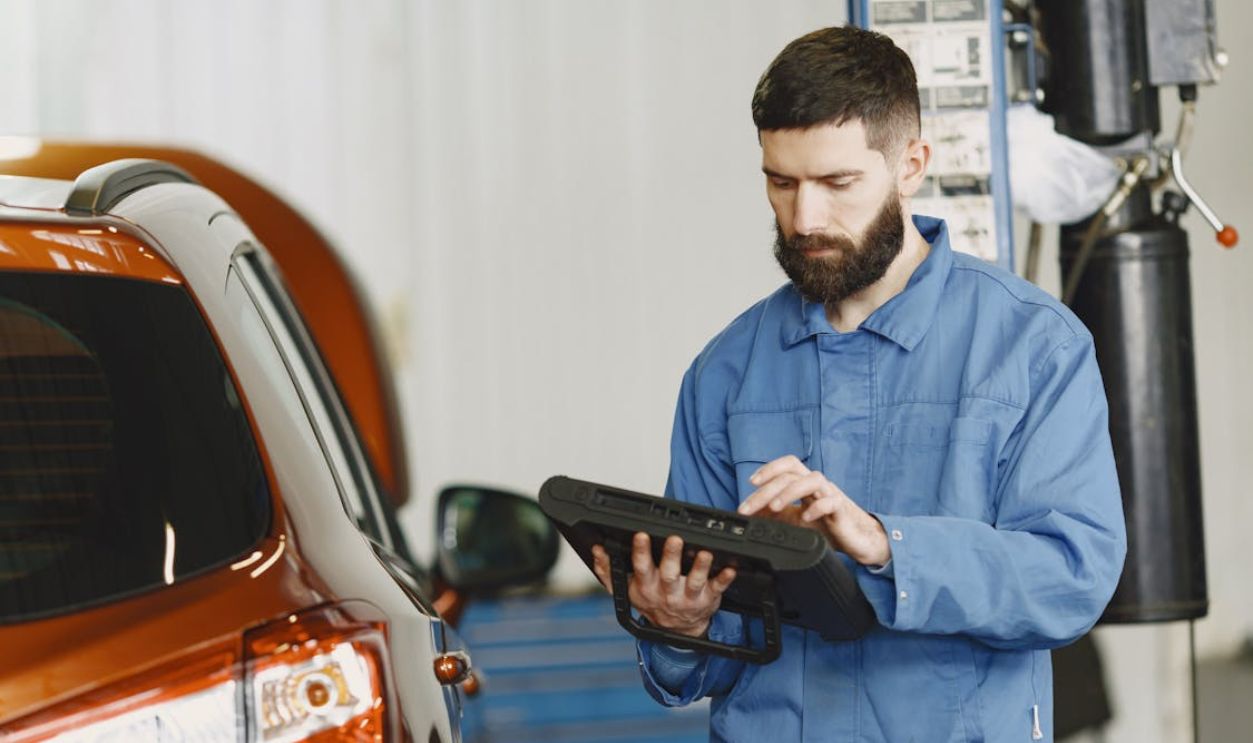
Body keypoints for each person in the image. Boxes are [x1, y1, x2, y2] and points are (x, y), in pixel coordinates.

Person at [589, 25, 1127, 742]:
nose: (804, 218)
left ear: (911, 165)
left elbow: (1070, 577)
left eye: (836, 183)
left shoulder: (1031, 346)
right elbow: (711, 655)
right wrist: (678, 625)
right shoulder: (724, 371)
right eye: (781, 182)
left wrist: (883, 543)